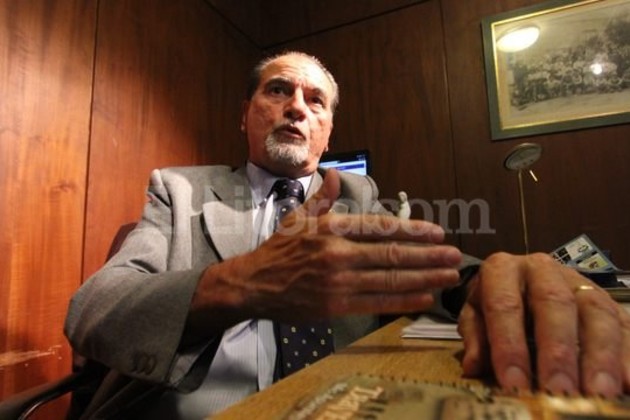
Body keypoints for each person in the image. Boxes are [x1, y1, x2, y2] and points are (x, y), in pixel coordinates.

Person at [65, 51, 630, 419]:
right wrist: (240, 283)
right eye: (278, 91)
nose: (296, 107)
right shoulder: (181, 189)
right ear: (245, 115)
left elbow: (438, 269)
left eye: (315, 101)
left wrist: (489, 282)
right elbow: (94, 308)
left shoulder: (357, 197)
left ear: (328, 130)